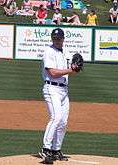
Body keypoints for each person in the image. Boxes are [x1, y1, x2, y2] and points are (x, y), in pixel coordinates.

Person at [38, 28, 79, 164]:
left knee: (63, 122)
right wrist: (70, 70)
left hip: (64, 90)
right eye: (54, 38)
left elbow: (69, 67)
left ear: (63, 39)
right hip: (51, 88)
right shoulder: (48, 51)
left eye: (59, 38)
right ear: (52, 39)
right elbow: (53, 73)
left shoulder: (65, 52)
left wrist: (74, 67)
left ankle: (56, 150)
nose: (56, 40)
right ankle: (45, 149)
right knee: (56, 117)